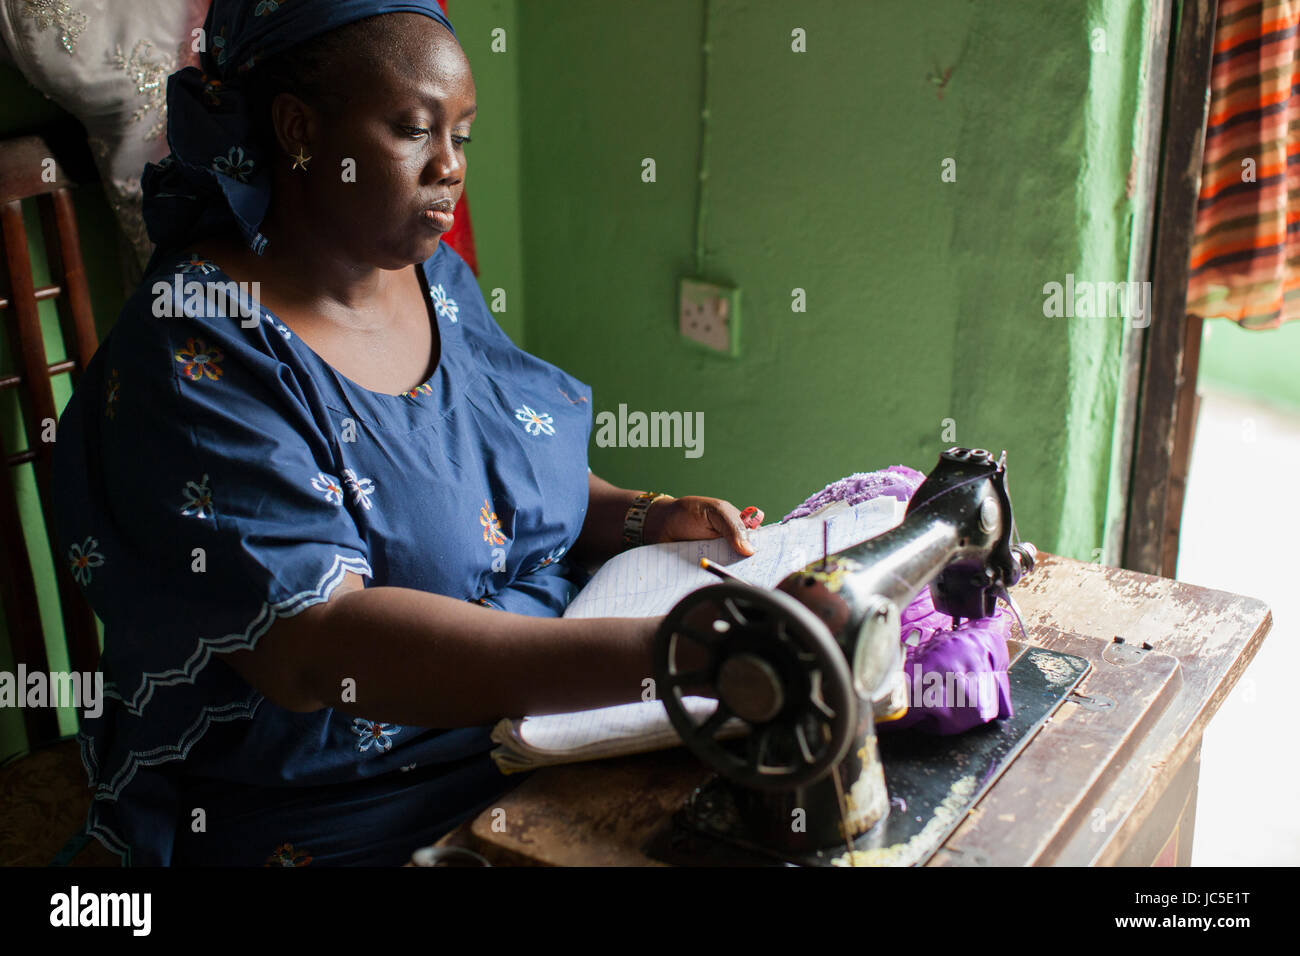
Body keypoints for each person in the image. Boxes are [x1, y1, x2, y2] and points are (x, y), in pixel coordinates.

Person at [51, 0, 757, 866]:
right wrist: (669, 653)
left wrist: (648, 517)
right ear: (299, 129)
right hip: (342, 805)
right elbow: (319, 648)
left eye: (463, 135)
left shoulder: (432, 280)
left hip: (535, 733)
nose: (450, 170)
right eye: (415, 130)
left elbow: (509, 482)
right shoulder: (199, 342)